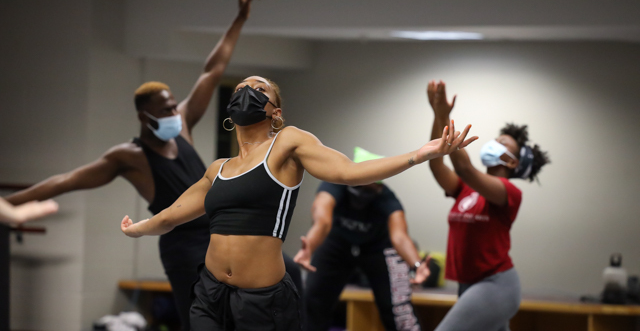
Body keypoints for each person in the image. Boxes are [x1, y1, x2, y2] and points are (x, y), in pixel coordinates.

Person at [120, 75, 476, 330]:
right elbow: (170, 216)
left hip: (261, 300)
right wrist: (137, 230)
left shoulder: (287, 143)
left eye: (259, 89)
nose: (248, 90)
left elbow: (350, 172)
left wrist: (419, 154)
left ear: (275, 111)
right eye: (242, 87)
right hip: (210, 294)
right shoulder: (218, 168)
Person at [4, 0, 266, 329]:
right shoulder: (130, 157)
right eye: (167, 109)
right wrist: (8, 206)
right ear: (146, 117)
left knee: (271, 288)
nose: (176, 111)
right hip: (182, 244)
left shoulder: (183, 123)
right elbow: (64, 182)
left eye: (175, 105)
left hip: (217, 233)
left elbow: (212, 70)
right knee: (200, 320)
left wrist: (240, 17)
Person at [425, 80, 550, 331]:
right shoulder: (465, 188)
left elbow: (463, 167)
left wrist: (445, 115)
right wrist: (437, 115)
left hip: (495, 285)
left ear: (512, 162)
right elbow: (436, 164)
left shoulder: (509, 192)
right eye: (496, 139)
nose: (495, 143)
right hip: (467, 284)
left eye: (503, 143)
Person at [294, 146, 430, 331]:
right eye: (359, 185)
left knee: (397, 309)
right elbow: (322, 220)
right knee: (313, 301)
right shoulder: (334, 184)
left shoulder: (387, 199)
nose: (364, 190)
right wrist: (309, 246)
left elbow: (400, 236)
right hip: (337, 244)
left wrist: (416, 265)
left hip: (377, 248)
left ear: (380, 185)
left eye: (372, 186)